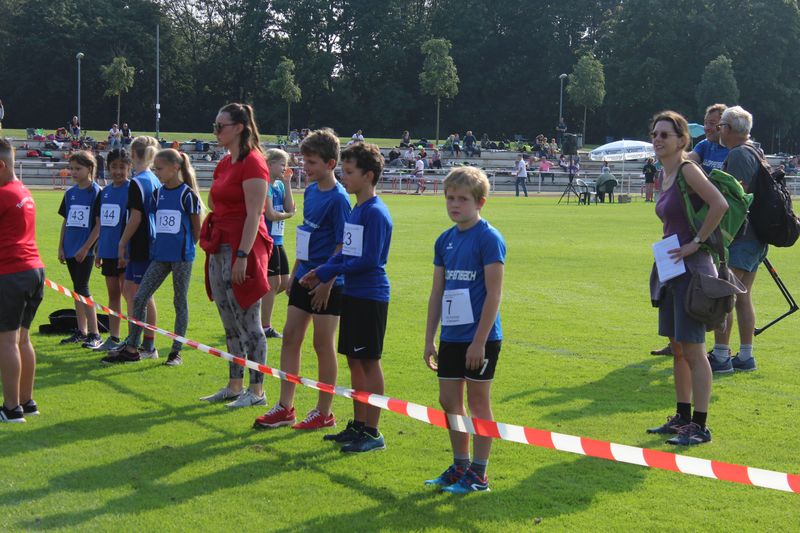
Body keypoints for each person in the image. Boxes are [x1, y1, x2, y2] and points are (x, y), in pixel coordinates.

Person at [253, 128, 351, 430]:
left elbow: (342, 245)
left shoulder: (339, 199)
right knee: (291, 337)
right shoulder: (310, 191)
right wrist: (296, 270)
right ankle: (285, 407)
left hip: (326, 283)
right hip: (303, 276)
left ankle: (324, 412)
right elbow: (308, 234)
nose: (304, 167)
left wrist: (327, 281)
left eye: (311, 162)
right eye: (304, 160)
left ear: (330, 163)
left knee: (323, 345)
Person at [298, 142, 393, 453]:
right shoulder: (357, 209)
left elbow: (370, 260)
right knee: (354, 361)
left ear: (368, 175)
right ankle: (358, 424)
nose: (344, 177)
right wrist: (322, 270)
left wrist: (328, 271)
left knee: (369, 362)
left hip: (370, 295)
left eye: (350, 172)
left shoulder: (375, 212)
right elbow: (347, 253)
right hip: (353, 293)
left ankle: (373, 432)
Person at [646, 110, 727, 446]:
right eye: (654, 134)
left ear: (682, 140)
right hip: (671, 267)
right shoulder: (664, 175)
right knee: (678, 349)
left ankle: (700, 425)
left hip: (693, 270)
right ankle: (682, 416)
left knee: (695, 350)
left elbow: (719, 204)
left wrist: (696, 242)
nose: (658, 139)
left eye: (665, 134)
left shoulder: (687, 170)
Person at [423, 166, 505, 493]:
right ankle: (460, 466)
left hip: (480, 338)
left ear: (480, 202)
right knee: (448, 401)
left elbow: (494, 294)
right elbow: (437, 292)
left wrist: (479, 342)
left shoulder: (489, 238)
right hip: (451, 335)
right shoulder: (444, 240)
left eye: (462, 199)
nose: (454, 204)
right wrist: (430, 338)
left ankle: (479, 474)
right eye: (450, 198)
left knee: (478, 403)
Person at [199, 103, 272, 406]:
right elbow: (213, 202)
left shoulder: (253, 163)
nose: (216, 132)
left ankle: (257, 391)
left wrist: (242, 255)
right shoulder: (225, 163)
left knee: (249, 322)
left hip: (242, 248)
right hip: (220, 245)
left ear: (239, 128)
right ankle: (234, 385)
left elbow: (255, 214)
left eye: (221, 126)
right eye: (215, 126)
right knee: (229, 321)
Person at [103, 149, 203, 366]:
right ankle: (132, 348)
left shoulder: (187, 195)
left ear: (175, 168)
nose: (156, 173)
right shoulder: (158, 194)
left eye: (159, 169)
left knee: (179, 302)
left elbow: (197, 230)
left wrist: (184, 248)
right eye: (155, 168)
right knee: (139, 298)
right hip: (159, 257)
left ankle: (175, 352)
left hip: (181, 258)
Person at [708, 106, 767, 374]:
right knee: (743, 296)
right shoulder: (755, 150)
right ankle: (745, 356)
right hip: (756, 237)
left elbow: (736, 199)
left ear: (729, 129)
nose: (718, 130)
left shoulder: (739, 154)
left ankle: (721, 356)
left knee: (725, 294)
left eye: (721, 125)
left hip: (742, 237)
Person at [0, 138, 45, 422]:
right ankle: (26, 402)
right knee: (22, 339)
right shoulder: (23, 191)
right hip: (33, 271)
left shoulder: (4, 194)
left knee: (6, 341)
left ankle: (11, 408)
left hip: (11, 274)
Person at [113, 136, 161, 360]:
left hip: (143, 243)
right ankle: (134, 339)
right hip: (146, 241)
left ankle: (148, 346)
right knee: (129, 291)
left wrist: (122, 242)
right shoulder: (153, 178)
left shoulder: (139, 181)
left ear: (133, 155)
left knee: (143, 295)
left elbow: (136, 217)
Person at [57, 151, 103, 349]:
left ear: (90, 168)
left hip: (86, 250)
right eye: (72, 168)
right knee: (77, 290)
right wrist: (61, 246)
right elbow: (66, 222)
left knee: (83, 289)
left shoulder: (97, 193)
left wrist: (86, 248)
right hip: (70, 248)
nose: (74, 172)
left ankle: (95, 334)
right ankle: (81, 330)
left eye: (78, 168)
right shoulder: (70, 194)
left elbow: (99, 226)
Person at [90, 149, 131, 352]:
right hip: (107, 252)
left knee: (129, 295)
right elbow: (103, 225)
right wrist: (99, 250)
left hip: (126, 253)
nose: (118, 171)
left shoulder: (132, 190)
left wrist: (127, 250)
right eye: (114, 167)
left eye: (122, 167)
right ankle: (114, 337)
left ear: (129, 168)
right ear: (108, 168)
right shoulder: (104, 192)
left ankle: (132, 340)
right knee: (113, 294)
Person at [261, 149, 297, 339]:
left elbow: (290, 206)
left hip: (278, 239)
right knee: (273, 283)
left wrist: (287, 183)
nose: (285, 168)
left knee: (284, 283)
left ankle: (254, 311)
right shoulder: (265, 185)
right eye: (282, 164)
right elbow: (271, 214)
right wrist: (288, 215)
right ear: (270, 164)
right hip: (267, 239)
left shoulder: (280, 185)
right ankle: (264, 326)